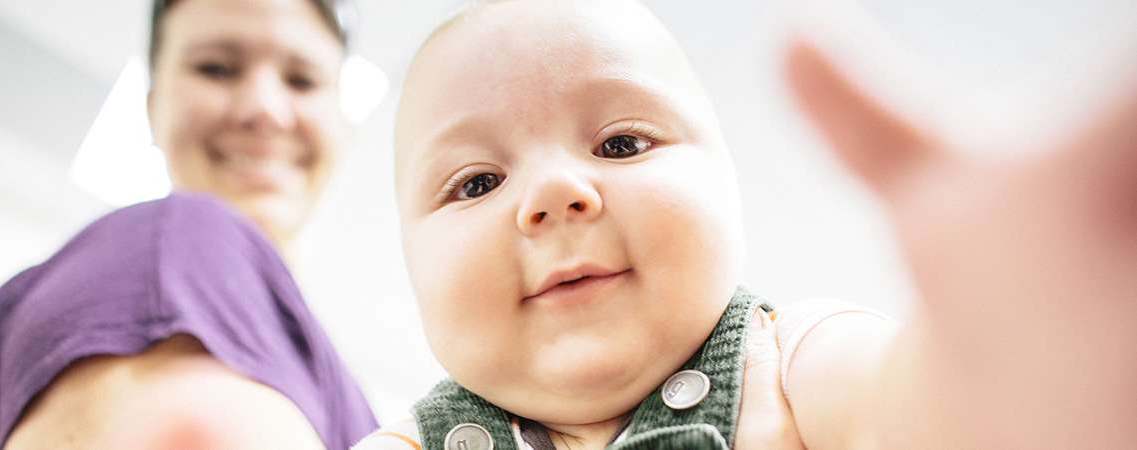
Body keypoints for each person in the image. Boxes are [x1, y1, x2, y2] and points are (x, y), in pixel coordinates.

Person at [357, 0, 1137, 448]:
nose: (555, 193)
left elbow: (911, 411)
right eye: (478, 182)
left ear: (727, 187)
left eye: (621, 143)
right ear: (407, 259)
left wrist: (1008, 348)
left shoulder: (795, 361)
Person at [0, 0, 381, 448]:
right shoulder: (171, 241)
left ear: (343, 123)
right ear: (151, 107)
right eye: (216, 69)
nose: (265, 108)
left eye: (302, 81)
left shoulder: (343, 386)